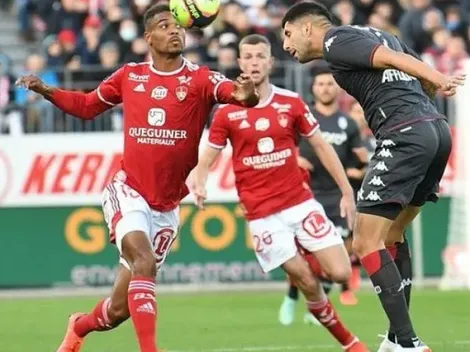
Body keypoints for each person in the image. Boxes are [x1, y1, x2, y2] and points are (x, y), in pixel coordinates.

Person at [16, 4, 259, 352]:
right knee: (143, 261)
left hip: (166, 207)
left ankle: (79, 326)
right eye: (163, 25)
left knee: (118, 310)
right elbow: (87, 107)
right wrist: (46, 91)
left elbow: (238, 96)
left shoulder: (201, 79)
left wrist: (246, 91)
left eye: (177, 26)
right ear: (148, 37)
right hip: (127, 190)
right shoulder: (129, 75)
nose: (174, 31)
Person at [281, 2, 465, 351]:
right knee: (392, 234)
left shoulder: (336, 40)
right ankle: (397, 338)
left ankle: (407, 342)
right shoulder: (386, 34)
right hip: (435, 132)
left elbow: (399, 63)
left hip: (404, 134)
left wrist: (439, 79)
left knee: (365, 243)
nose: (287, 46)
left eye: (288, 34)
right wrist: (427, 86)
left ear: (307, 28)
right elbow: (412, 71)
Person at [192, 34, 368, 352]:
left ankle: (305, 264)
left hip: (300, 203)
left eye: (261, 56)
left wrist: (347, 191)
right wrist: (200, 179)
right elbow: (207, 155)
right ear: (240, 63)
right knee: (304, 279)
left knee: (341, 271)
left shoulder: (291, 103)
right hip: (262, 215)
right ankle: (349, 343)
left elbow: (321, 146)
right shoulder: (226, 112)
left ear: (270, 62)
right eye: (248, 56)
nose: (254, 62)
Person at [278, 66, 369, 326]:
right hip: (305, 196)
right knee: (302, 256)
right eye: (321, 84)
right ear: (313, 88)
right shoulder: (302, 117)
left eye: (330, 83)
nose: (326, 88)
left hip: (336, 197)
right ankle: (292, 295)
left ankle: (316, 308)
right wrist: (294, 158)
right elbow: (283, 145)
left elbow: (363, 159)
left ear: (336, 87)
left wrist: (359, 170)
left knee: (334, 258)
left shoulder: (348, 123)